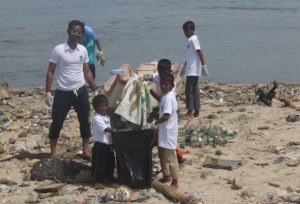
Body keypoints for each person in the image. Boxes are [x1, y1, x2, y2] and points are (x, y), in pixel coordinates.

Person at [45, 20, 97, 159]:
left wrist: (94, 89)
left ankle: (85, 149)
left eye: (78, 32)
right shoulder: (58, 49)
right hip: (63, 92)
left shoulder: (83, 50)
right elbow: (51, 71)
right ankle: (53, 152)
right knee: (57, 121)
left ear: (81, 34)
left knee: (85, 120)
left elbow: (87, 71)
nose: (76, 34)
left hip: (80, 90)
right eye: (73, 31)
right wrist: (48, 92)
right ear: (68, 31)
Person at [149, 59, 185, 164]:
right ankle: (174, 154)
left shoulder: (170, 85)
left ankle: (177, 156)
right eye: (160, 73)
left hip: (169, 111)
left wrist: (151, 92)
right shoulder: (158, 77)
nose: (161, 76)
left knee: (169, 136)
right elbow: (151, 77)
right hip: (163, 108)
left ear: (169, 72)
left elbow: (162, 100)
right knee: (165, 135)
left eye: (163, 73)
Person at [154, 73, 180, 189]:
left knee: (170, 157)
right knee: (162, 154)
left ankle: (175, 180)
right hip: (163, 131)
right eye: (162, 84)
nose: (164, 86)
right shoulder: (165, 96)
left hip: (169, 132)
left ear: (172, 85)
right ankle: (166, 175)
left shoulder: (169, 97)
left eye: (166, 84)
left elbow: (166, 116)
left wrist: (155, 123)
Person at [182, 21, 207, 119]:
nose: (185, 34)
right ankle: (197, 109)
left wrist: (204, 65)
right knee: (195, 89)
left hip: (193, 70)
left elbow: (200, 52)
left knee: (189, 90)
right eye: (184, 32)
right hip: (191, 68)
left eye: (187, 32)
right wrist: (184, 65)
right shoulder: (190, 40)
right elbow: (190, 56)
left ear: (192, 30)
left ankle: (189, 111)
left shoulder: (193, 39)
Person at [91, 94, 116, 189]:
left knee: (110, 162)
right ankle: (97, 181)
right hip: (100, 145)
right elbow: (106, 129)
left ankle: (109, 177)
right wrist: (115, 131)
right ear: (95, 107)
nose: (104, 108)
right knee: (100, 164)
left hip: (109, 145)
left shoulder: (106, 117)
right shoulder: (97, 118)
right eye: (101, 106)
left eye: (105, 105)